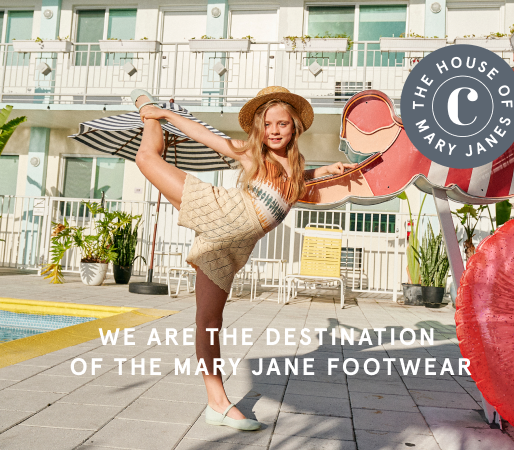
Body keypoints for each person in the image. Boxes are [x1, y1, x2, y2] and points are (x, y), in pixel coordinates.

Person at [131, 86, 356, 431]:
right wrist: (166, 115)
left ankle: (215, 404)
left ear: (294, 127)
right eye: (268, 124)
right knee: (147, 159)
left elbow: (293, 186)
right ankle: (148, 106)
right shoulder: (255, 156)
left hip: (229, 248)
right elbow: (208, 137)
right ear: (259, 129)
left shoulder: (296, 172)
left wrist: (324, 171)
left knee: (209, 321)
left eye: (282, 123)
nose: (275, 130)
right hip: (222, 212)